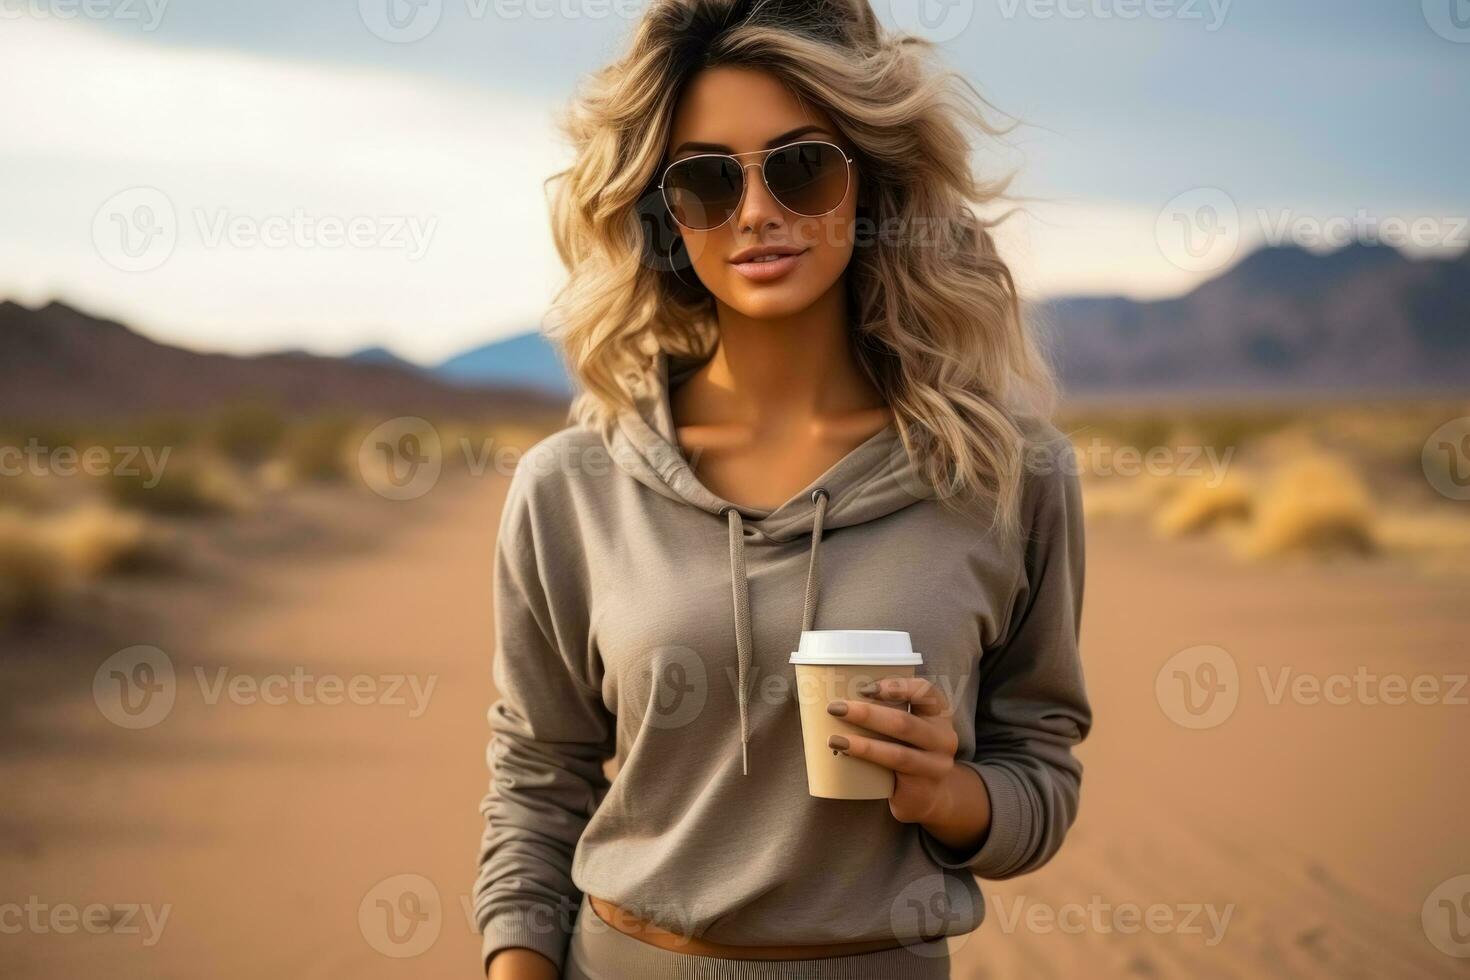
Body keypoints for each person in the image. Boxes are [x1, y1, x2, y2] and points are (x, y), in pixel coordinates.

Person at [474, 1, 1092, 977]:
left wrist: (946, 791)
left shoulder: (1008, 475)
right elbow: (536, 782)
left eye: (801, 166)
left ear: (872, 183)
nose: (757, 210)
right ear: (664, 216)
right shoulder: (573, 485)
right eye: (708, 181)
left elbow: (1041, 771)